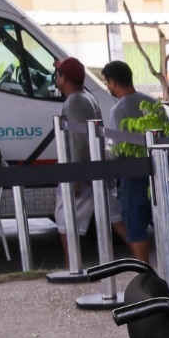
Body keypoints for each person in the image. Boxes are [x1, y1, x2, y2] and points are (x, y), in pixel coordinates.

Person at [51, 56, 121, 255]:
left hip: (82, 173)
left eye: (58, 74)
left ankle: (72, 265)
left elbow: (79, 141)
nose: (56, 78)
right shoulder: (85, 97)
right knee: (115, 220)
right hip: (92, 171)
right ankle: (141, 261)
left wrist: (73, 175)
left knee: (66, 223)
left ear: (64, 78)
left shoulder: (74, 102)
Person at [101, 60, 155, 263]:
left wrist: (107, 157)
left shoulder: (118, 110)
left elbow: (118, 149)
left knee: (136, 230)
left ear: (113, 83)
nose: (108, 87)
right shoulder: (152, 103)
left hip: (132, 176)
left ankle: (145, 272)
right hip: (157, 172)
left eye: (107, 83)